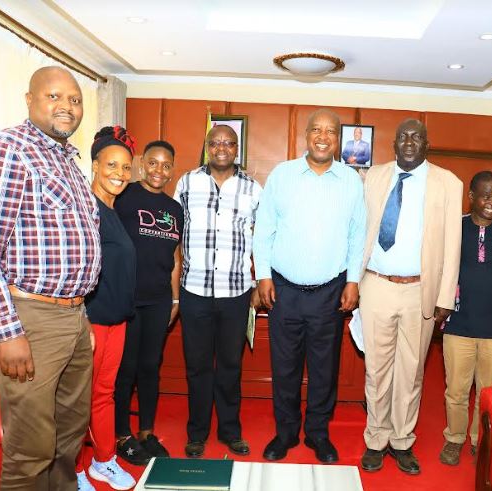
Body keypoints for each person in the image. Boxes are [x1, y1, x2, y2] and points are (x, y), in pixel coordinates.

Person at [0, 66, 100, 490]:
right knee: (31, 447)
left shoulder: (69, 162)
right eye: (54, 96)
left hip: (71, 318)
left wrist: (80, 318)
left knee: (69, 433)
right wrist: (7, 331)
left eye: (74, 100)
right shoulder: (7, 149)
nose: (66, 106)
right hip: (27, 318)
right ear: (29, 99)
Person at [253, 108, 366, 464]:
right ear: (306, 135)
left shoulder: (350, 181)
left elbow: (357, 235)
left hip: (330, 292)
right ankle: (286, 433)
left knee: (324, 369)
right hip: (283, 290)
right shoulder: (282, 175)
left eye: (330, 131)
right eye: (316, 129)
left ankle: (318, 433)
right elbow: (264, 228)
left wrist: (353, 281)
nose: (322, 136)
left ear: (338, 139)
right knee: (284, 367)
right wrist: (263, 275)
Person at [358, 118, 462, 475]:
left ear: (426, 144)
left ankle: (401, 441)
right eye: (403, 136)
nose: (409, 142)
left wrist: (445, 295)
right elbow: (359, 229)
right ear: (394, 143)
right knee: (376, 370)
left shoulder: (448, 183)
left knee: (412, 371)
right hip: (375, 285)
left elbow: (453, 243)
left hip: (421, 290)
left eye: (417, 137)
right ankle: (376, 439)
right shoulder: (373, 177)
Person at [173, 125, 262, 459]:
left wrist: (258, 282)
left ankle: (230, 431)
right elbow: (174, 234)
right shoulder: (187, 182)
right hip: (194, 290)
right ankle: (197, 433)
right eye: (215, 142)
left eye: (229, 143)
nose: (222, 148)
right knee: (197, 367)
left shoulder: (253, 188)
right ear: (207, 147)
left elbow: (262, 239)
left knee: (229, 366)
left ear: (237, 149)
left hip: (236, 291)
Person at [439, 171, 492, 466]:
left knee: (489, 392)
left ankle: (481, 440)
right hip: (459, 324)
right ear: (471, 197)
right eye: (486, 196)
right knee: (456, 390)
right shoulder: (455, 227)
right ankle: (454, 438)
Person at [75, 126, 137, 491]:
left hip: (116, 320)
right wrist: (82, 319)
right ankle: (74, 470)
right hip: (91, 320)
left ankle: (103, 461)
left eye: (126, 167)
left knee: (103, 395)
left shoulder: (113, 210)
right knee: (78, 400)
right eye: (112, 165)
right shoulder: (86, 208)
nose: (120, 173)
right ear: (95, 165)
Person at [113, 140, 183, 464]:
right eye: (153, 163)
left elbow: (175, 257)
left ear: (172, 171)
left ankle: (146, 432)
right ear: (142, 164)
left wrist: (175, 297)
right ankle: (121, 435)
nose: (159, 170)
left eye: (166, 165)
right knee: (125, 368)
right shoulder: (123, 196)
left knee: (150, 367)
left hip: (158, 300)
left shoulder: (174, 209)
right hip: (126, 299)